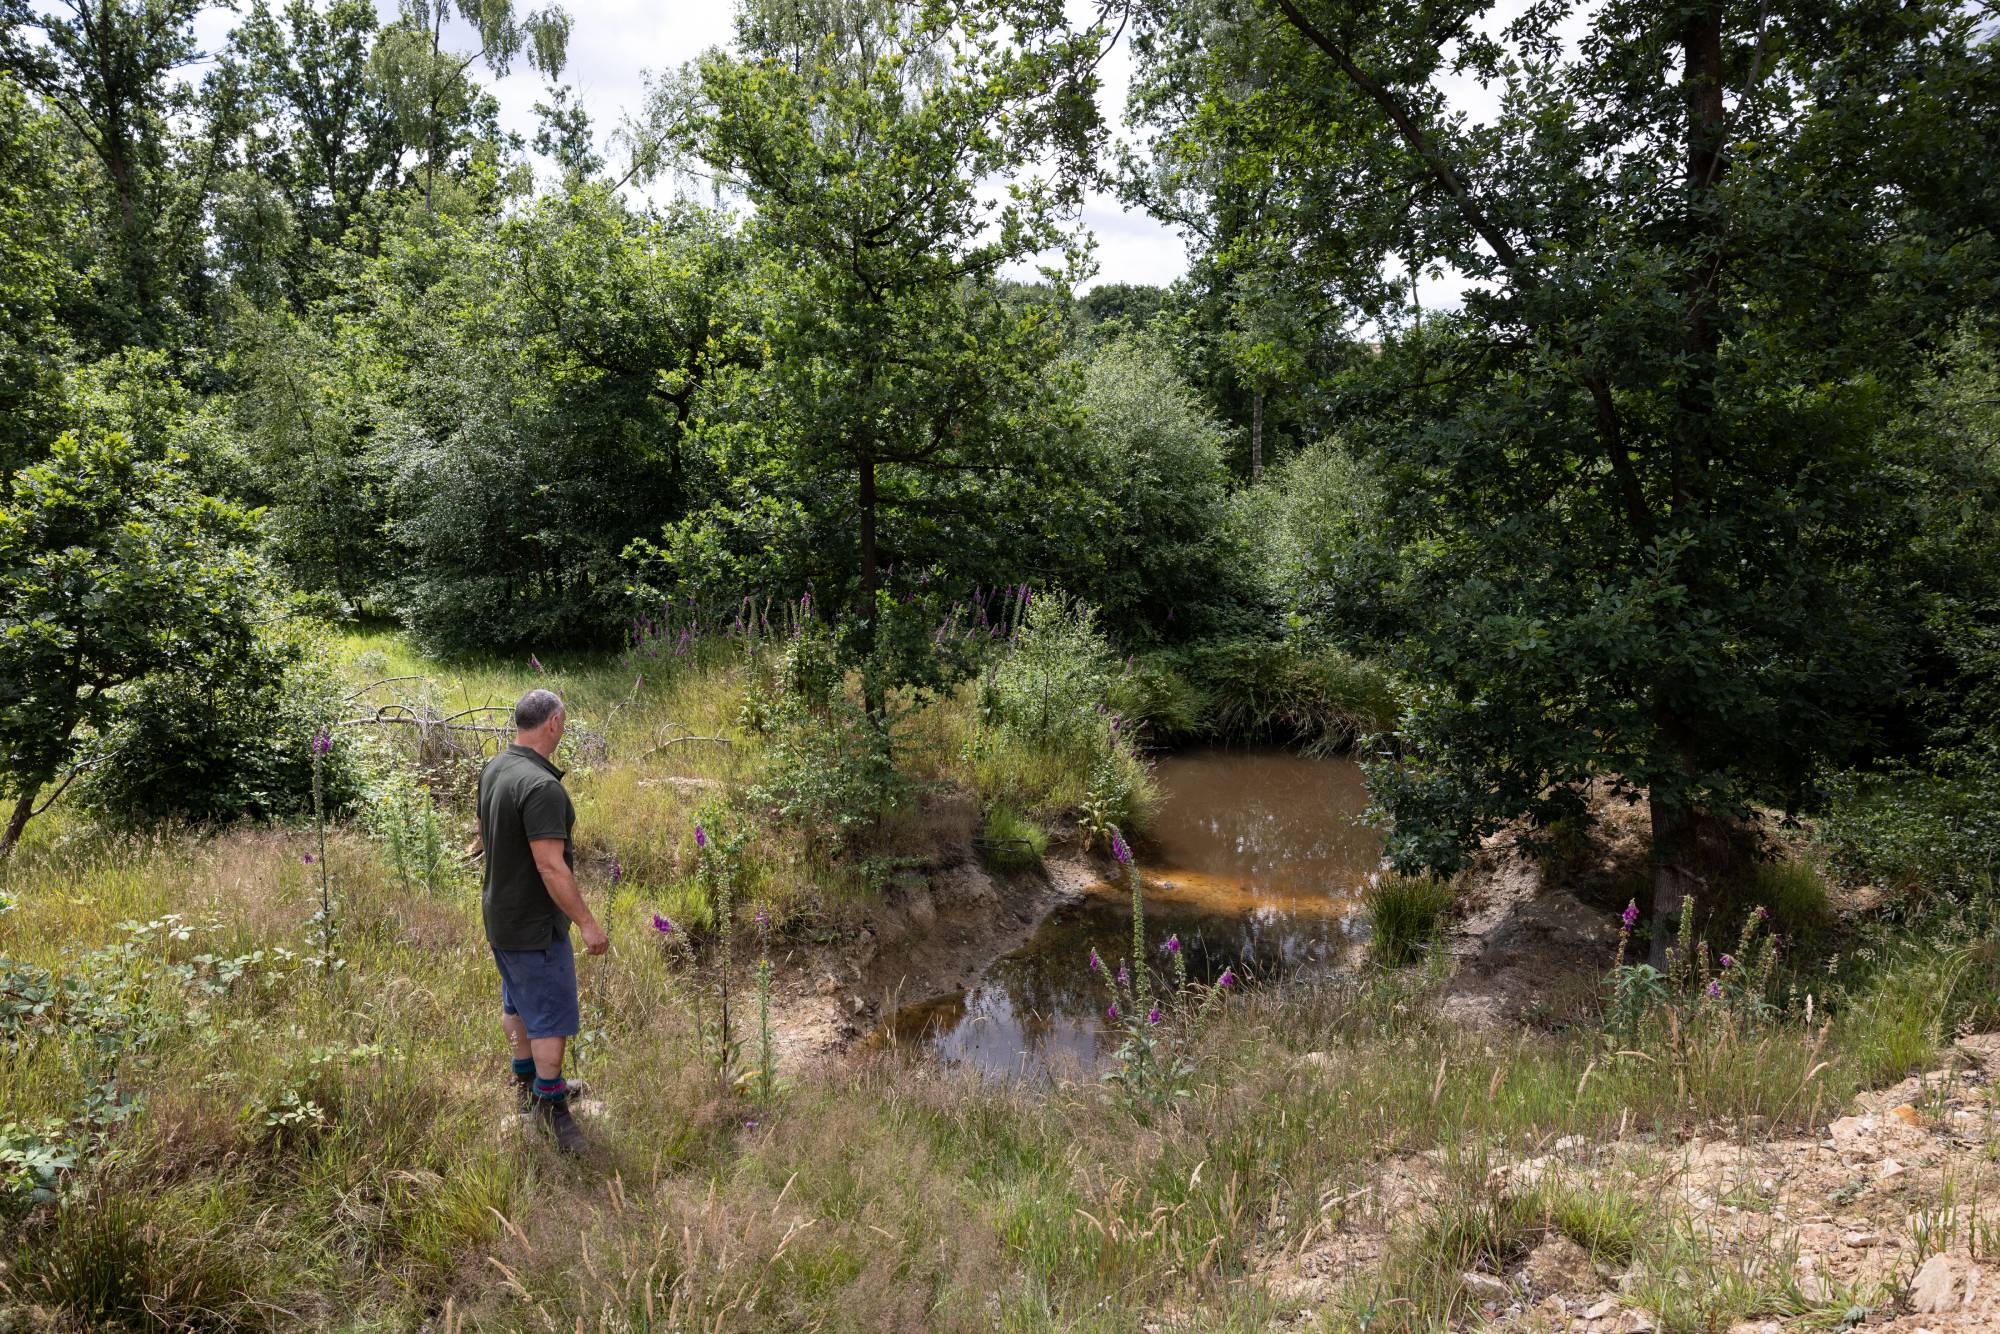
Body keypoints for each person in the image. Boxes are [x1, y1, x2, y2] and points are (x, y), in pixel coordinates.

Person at [467, 687, 608, 1153]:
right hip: (533, 926)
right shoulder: (542, 787)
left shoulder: (496, 768)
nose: (563, 727)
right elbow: (551, 866)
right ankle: (553, 1110)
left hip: (500, 915)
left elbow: (485, 834)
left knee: (517, 1005)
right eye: (562, 721)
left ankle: (526, 1085)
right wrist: (587, 923)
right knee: (550, 1017)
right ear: (552, 723)